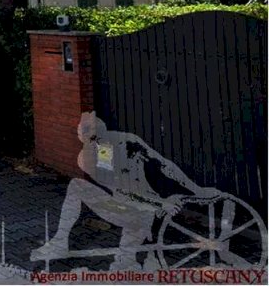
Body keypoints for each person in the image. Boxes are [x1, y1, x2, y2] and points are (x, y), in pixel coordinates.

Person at [32, 112, 218, 269]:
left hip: (142, 210)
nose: (98, 144)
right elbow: (124, 190)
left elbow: (164, 165)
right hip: (121, 207)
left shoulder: (128, 141)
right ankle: (60, 243)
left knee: (126, 261)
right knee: (76, 186)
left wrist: (197, 190)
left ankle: (129, 255)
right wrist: (162, 203)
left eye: (98, 138)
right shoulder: (88, 159)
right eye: (91, 141)